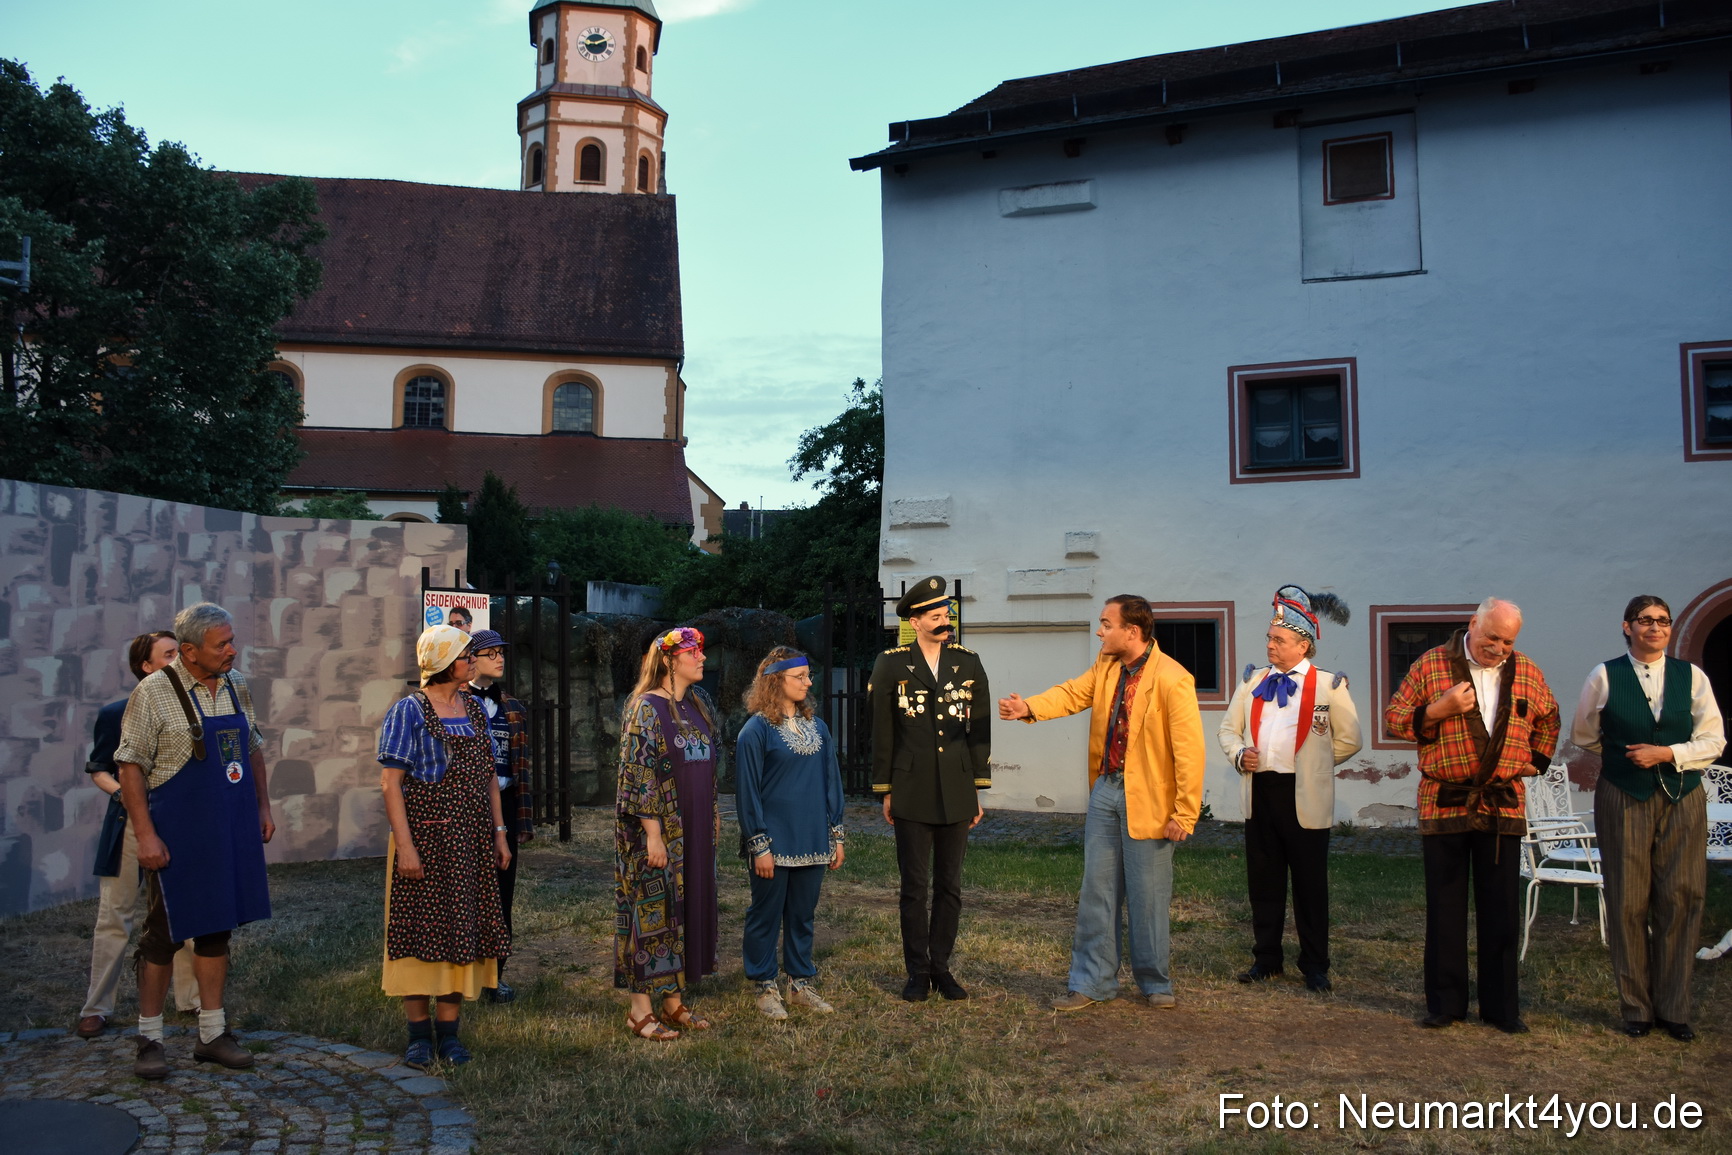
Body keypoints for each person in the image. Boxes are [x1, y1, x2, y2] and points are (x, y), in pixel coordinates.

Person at [999, 595, 1205, 1012]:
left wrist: (1185, 812)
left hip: (1150, 799)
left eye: (1107, 624)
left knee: (1148, 895)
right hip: (1106, 790)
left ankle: (1155, 982)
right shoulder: (1107, 666)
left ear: (1132, 631)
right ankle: (1092, 982)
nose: (1100, 631)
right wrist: (1029, 707)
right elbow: (1072, 693)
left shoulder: (1173, 677)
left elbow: (1189, 752)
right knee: (1098, 891)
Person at [114, 603, 275, 1079]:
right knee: (163, 933)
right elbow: (130, 767)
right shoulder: (152, 693)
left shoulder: (235, 683)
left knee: (216, 928)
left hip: (227, 823)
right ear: (188, 651)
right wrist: (146, 835)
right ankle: (150, 1038)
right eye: (221, 644)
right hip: (176, 829)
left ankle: (212, 1033)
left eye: (231, 641)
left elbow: (252, 748)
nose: (232, 650)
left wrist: (262, 808)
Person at [1384, 597, 1559, 1034]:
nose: (1498, 648)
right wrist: (1437, 710)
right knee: (1445, 907)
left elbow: (1550, 719)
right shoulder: (1431, 665)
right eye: (1491, 638)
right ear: (1473, 624)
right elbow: (1394, 719)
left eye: (1508, 642)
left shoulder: (1526, 671)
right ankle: (1446, 1004)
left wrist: (1536, 761)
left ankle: (1501, 1009)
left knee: (1501, 909)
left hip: (1501, 803)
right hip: (1445, 799)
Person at [1568, 596, 1724, 1042]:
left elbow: (1713, 739)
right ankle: (1636, 1008)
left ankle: (1674, 1008)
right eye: (1645, 620)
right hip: (1624, 794)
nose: (1655, 627)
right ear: (1627, 627)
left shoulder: (1692, 677)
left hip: (1682, 795)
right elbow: (1584, 733)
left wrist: (1667, 753)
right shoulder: (1604, 675)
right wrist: (1622, 758)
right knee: (1627, 900)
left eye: (1662, 621)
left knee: (1682, 896)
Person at [377, 626, 512, 1068]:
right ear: (443, 663)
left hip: (470, 839)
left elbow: (489, 776)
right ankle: (419, 1035)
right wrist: (406, 846)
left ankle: (449, 1034)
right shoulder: (408, 711)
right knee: (419, 930)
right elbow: (391, 784)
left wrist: (498, 832)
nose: (472, 661)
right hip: (426, 838)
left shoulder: (473, 708)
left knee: (461, 930)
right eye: (465, 655)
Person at [1216, 586, 1361, 992]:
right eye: (1269, 638)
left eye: (1279, 640)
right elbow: (1228, 730)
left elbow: (1350, 739)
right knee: (1264, 882)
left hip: (1305, 796)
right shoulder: (1252, 681)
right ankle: (1267, 959)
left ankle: (1315, 965)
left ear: (1303, 645)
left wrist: (1315, 766)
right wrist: (1239, 754)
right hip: (1261, 792)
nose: (1270, 645)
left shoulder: (1329, 685)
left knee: (1310, 885)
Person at [868, 576, 991, 1002]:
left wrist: (977, 787)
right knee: (914, 887)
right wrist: (886, 788)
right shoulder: (891, 663)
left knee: (950, 886)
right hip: (911, 786)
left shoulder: (968, 662)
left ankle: (942, 968)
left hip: (957, 787)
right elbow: (882, 730)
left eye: (946, 615)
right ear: (915, 621)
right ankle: (917, 973)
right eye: (935, 616)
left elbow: (980, 729)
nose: (944, 622)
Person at [76, 631, 200, 1038]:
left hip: (179, 822)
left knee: (184, 911)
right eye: (168, 654)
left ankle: (192, 999)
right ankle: (97, 1007)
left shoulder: (195, 710)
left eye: (179, 652)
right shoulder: (116, 713)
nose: (178, 659)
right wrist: (126, 797)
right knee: (115, 914)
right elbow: (99, 769)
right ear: (146, 666)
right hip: (129, 824)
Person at [614, 626, 720, 1039]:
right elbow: (637, 774)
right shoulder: (645, 707)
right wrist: (653, 834)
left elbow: (707, 767)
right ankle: (639, 1010)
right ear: (670, 660)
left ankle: (673, 1001)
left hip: (693, 828)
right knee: (651, 911)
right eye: (694, 652)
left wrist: (712, 815)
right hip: (657, 832)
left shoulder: (695, 705)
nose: (702, 657)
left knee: (684, 909)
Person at [736, 646, 846, 1019]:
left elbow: (831, 782)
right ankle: (764, 985)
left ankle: (799, 983)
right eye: (800, 676)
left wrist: (836, 835)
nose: (808, 682)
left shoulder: (819, 728)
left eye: (807, 675)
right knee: (765, 914)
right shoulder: (755, 731)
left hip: (812, 838)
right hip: (773, 841)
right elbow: (748, 792)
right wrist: (759, 844)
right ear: (775, 680)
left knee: (802, 915)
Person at [464, 628, 535, 1004]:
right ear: (471, 659)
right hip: (465, 805)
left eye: (501, 653)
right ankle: (462, 973)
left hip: (504, 801)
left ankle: (495, 975)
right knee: (466, 889)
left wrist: (521, 820)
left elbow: (521, 768)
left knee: (502, 891)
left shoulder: (513, 707)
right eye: (490, 654)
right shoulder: (455, 702)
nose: (499, 659)